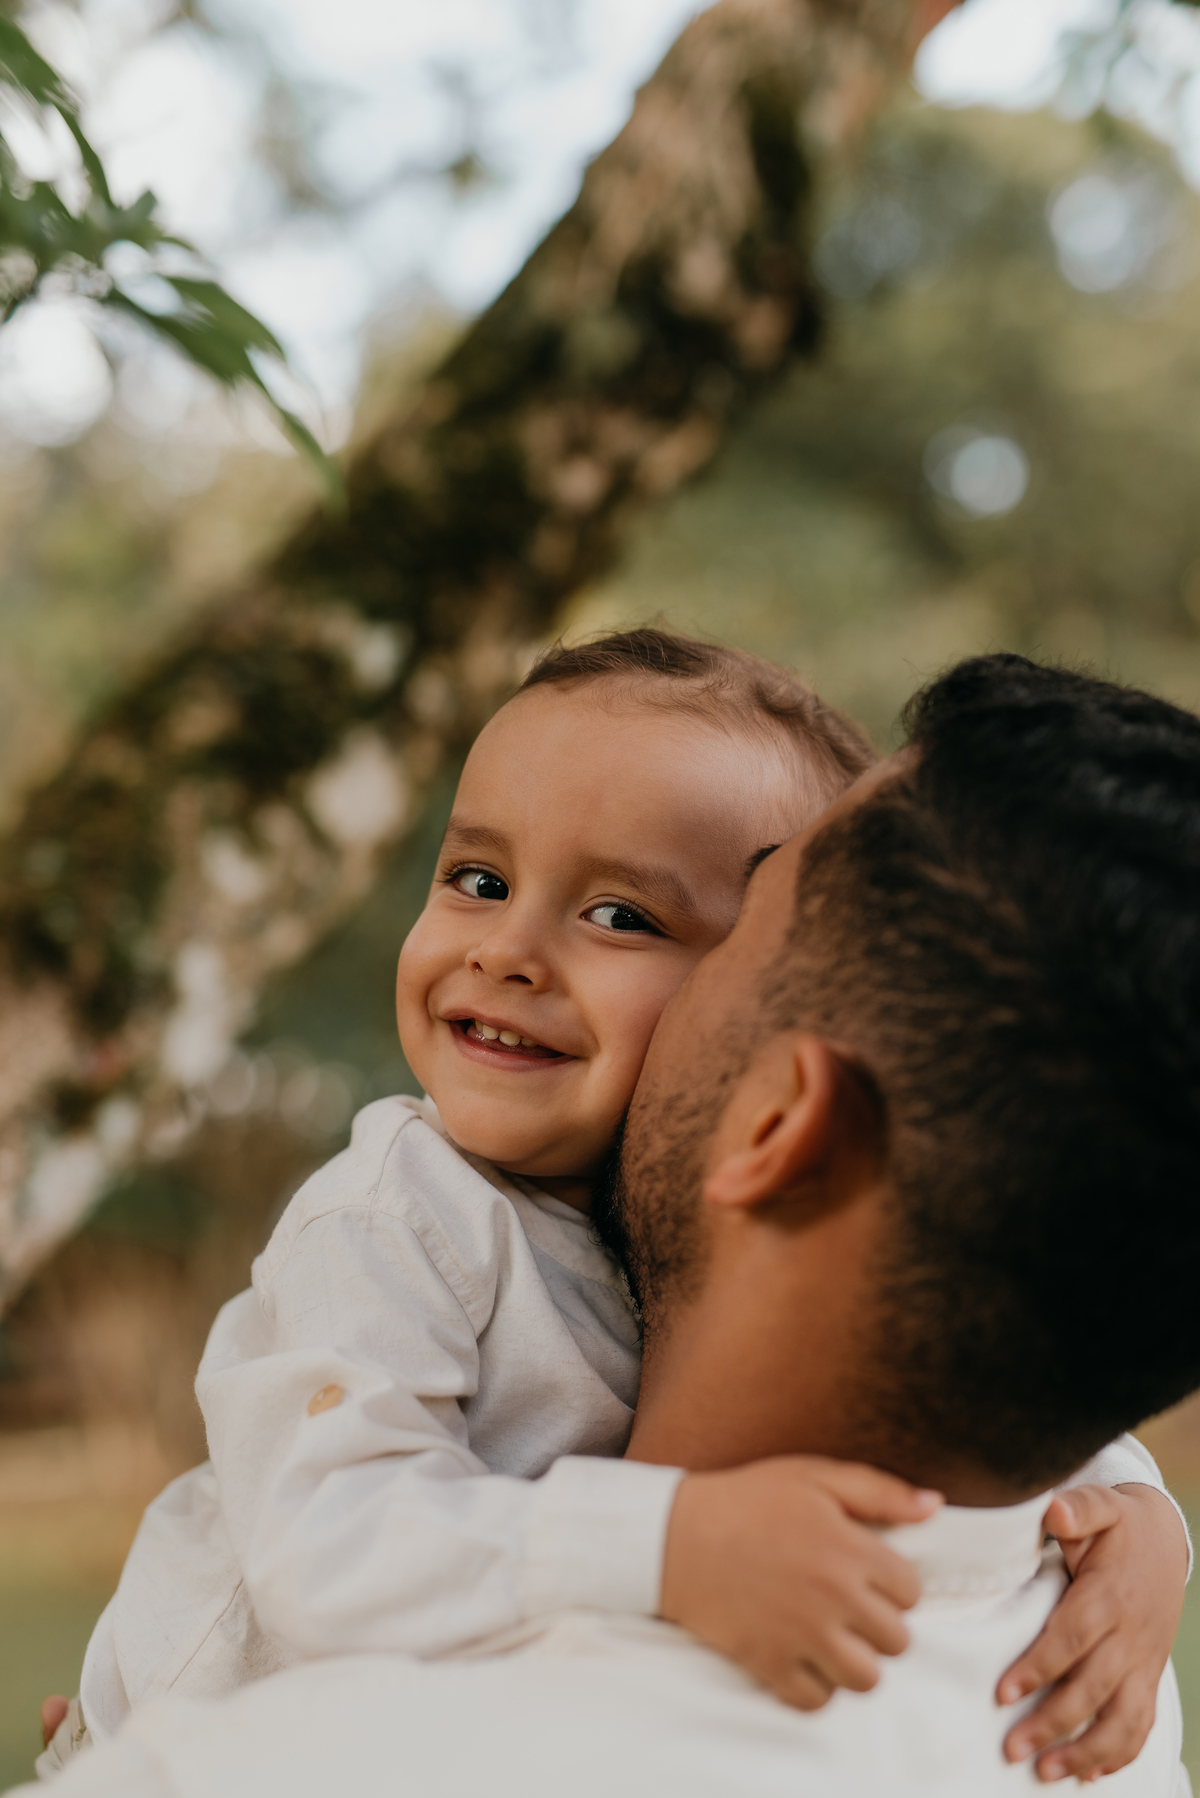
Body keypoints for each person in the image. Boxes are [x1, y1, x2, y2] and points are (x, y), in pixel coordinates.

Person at [20, 653, 1199, 1798]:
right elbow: (328, 1540)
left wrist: (1141, 1523)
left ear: (775, 1110)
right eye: (477, 878)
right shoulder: (394, 1215)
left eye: (623, 914)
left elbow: (1009, 1347)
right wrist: (669, 1541)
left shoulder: (656, 1233)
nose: (506, 951)